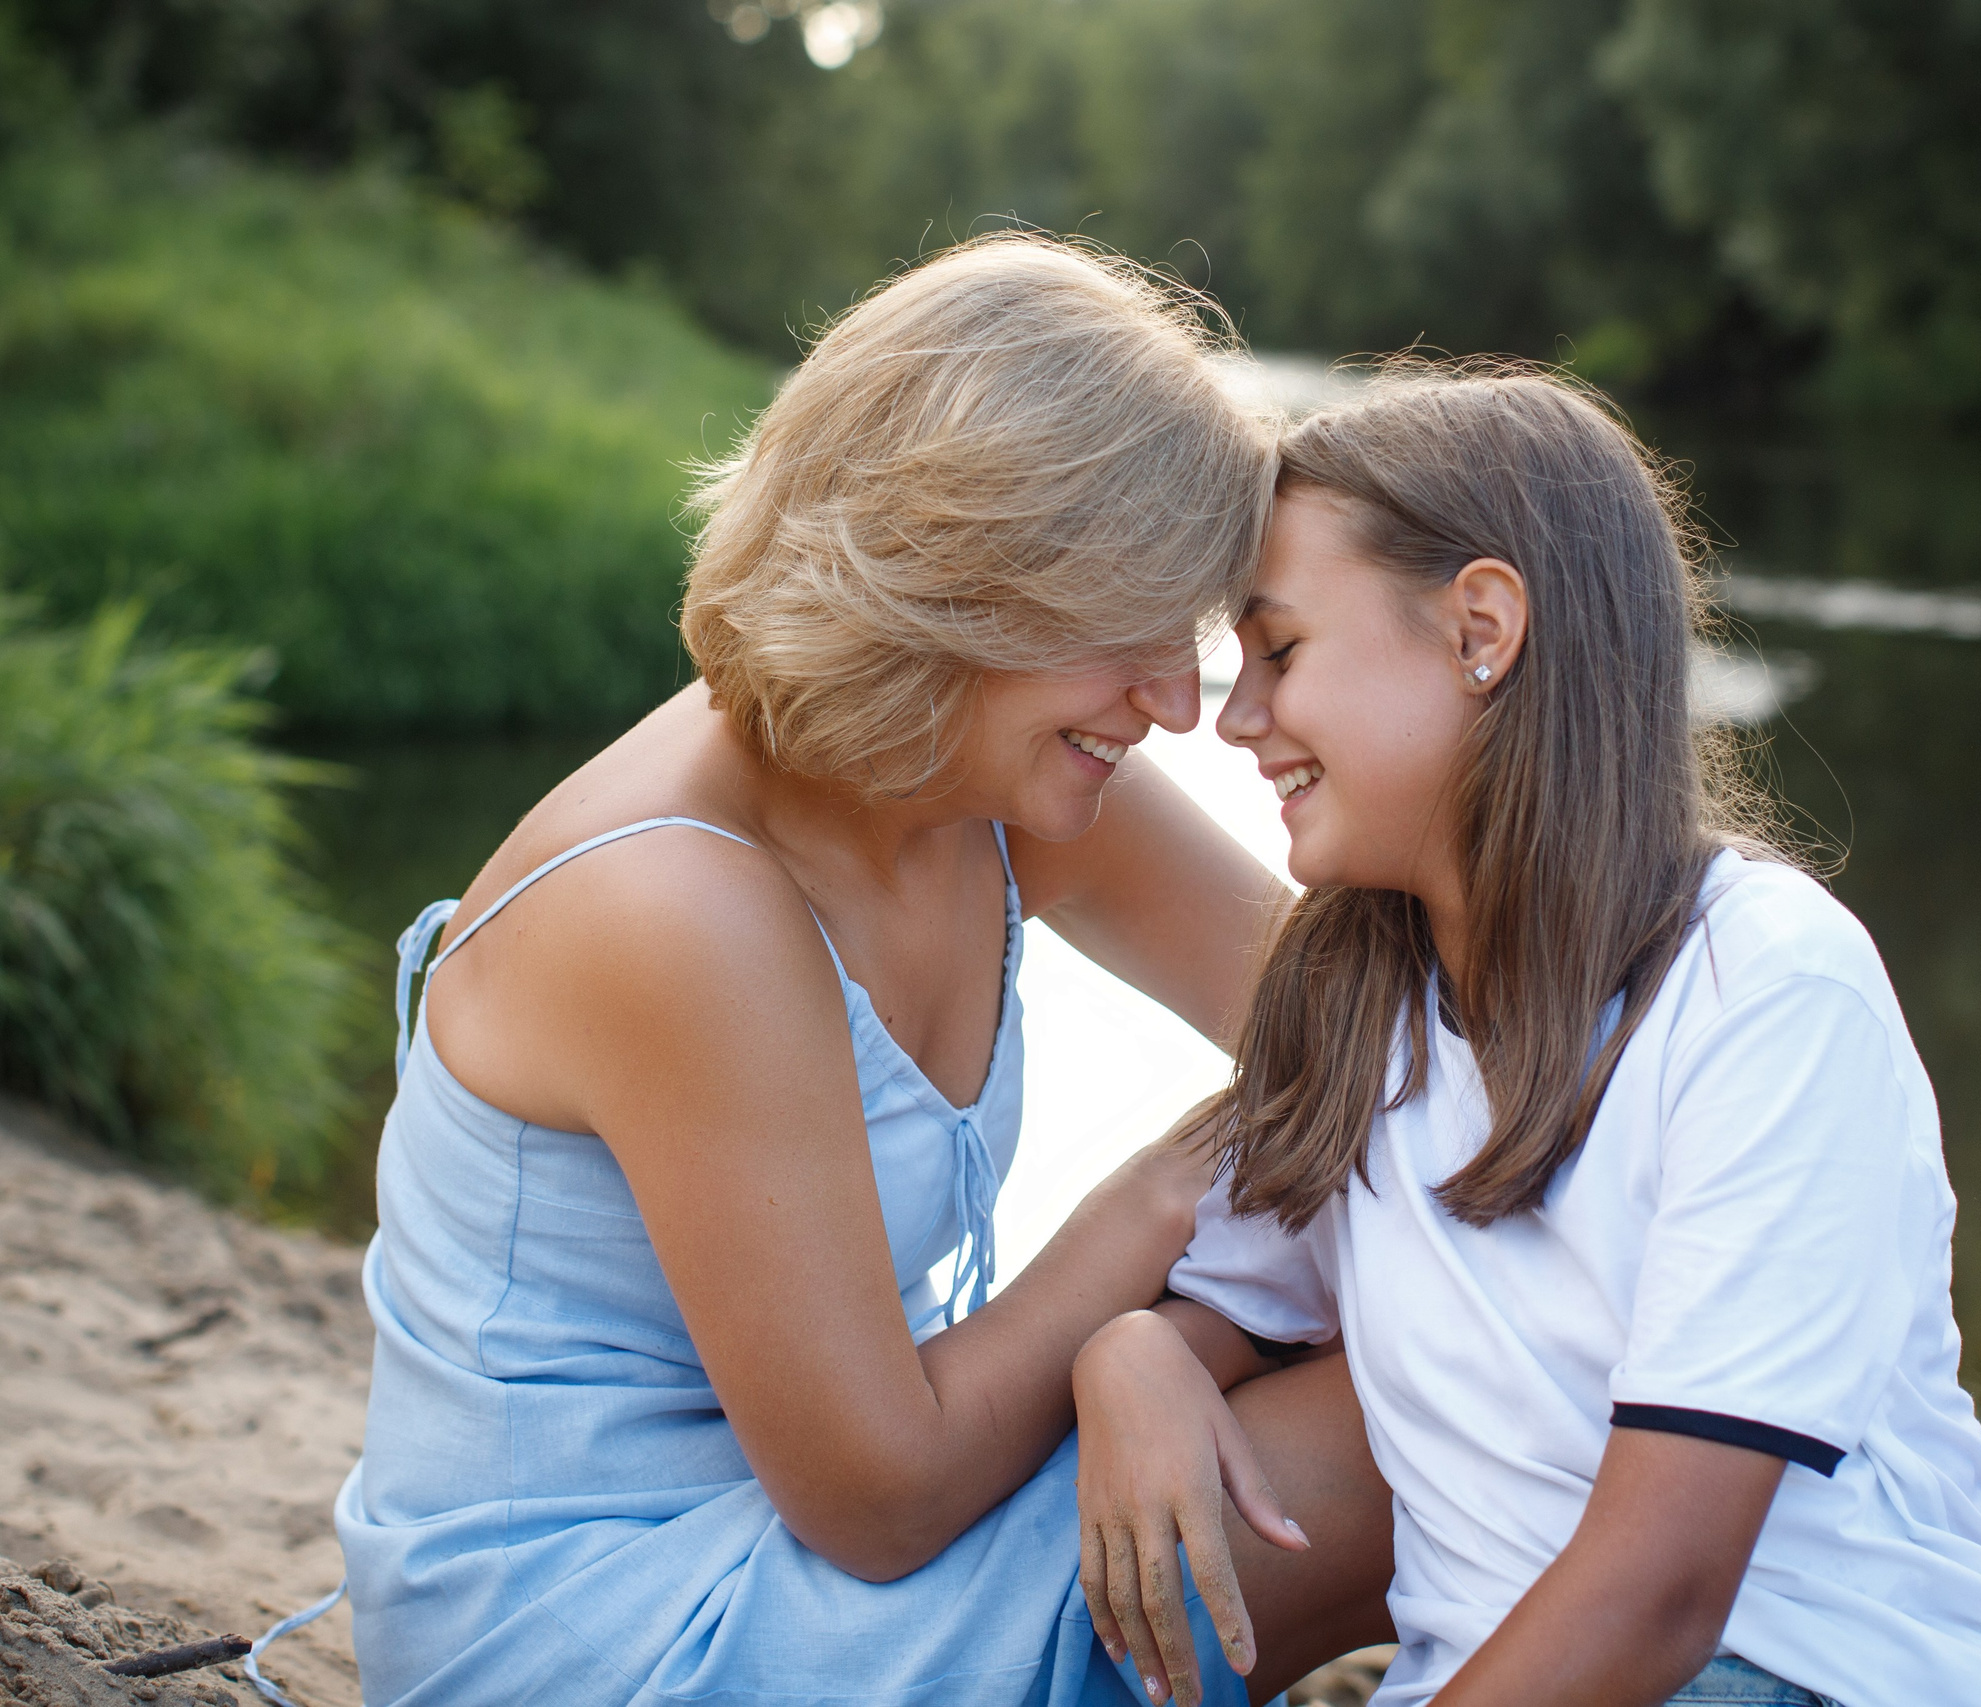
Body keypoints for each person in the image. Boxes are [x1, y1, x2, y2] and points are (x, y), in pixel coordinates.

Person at [332, 236, 1393, 1707]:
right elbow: (881, 1497)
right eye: (1129, 626)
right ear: (956, 583)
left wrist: (1164, 1343)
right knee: (1410, 1431)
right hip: (599, 1633)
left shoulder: (983, 774)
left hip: (797, 1540)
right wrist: (1160, 1202)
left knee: (1450, 1320)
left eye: (1198, 629)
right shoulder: (678, 903)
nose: (1175, 701)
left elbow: (1373, 1038)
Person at [1068, 369, 1981, 1707]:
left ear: (1481, 630)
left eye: (1280, 651)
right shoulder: (1364, 1000)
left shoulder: (1768, 991)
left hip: (1802, 1675)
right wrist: (1129, 1355)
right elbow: (1245, 1301)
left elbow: (1661, 1592)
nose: (1237, 716)